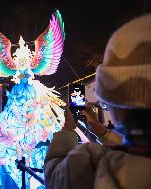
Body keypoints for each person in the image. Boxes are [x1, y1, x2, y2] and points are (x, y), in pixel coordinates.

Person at [44, 14, 151, 189]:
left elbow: (53, 176)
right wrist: (103, 133)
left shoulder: (90, 163)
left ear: (115, 104)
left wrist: (67, 129)